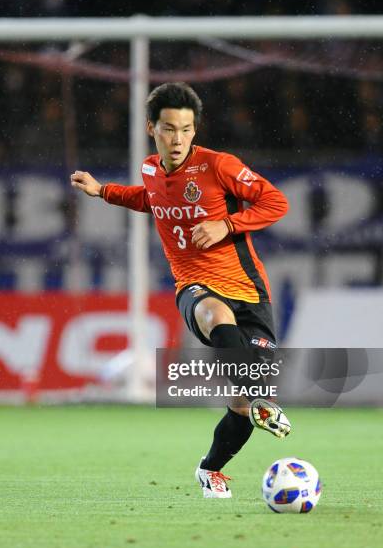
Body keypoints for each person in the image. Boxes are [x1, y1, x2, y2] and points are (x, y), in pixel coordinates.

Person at [71, 82, 291, 499]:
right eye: (169, 129)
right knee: (215, 316)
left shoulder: (219, 166)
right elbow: (151, 199)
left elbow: (276, 202)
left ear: (195, 129)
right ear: (152, 128)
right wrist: (103, 191)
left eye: (187, 129)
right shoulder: (151, 168)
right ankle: (260, 396)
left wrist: (227, 224)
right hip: (194, 285)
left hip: (249, 292)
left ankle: (211, 469)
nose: (178, 139)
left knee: (242, 408)